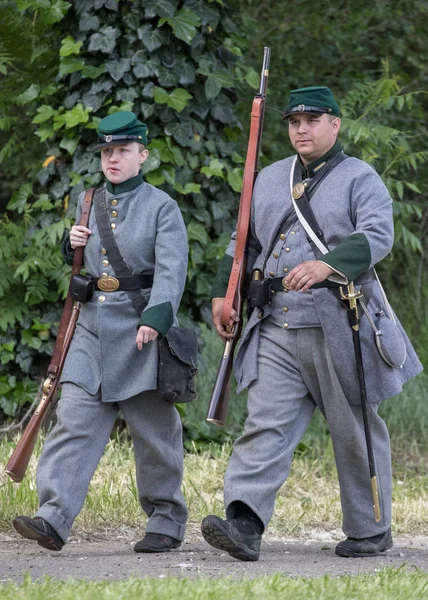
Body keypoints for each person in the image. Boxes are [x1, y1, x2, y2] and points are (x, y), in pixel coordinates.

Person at [201, 86, 423, 561]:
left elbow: (377, 236)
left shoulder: (360, 177)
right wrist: (225, 295)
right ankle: (244, 522)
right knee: (265, 425)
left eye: (312, 120)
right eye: (293, 122)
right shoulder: (269, 178)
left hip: (340, 322)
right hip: (275, 322)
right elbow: (243, 245)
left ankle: (370, 527)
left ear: (335, 124)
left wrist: (327, 266)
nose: (301, 130)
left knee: (353, 428)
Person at [13, 111, 189, 553]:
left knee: (154, 431)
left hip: (139, 328)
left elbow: (172, 270)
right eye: (107, 151)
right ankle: (53, 517)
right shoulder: (87, 200)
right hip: (90, 328)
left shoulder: (161, 206)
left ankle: (166, 518)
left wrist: (156, 317)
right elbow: (84, 268)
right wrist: (70, 244)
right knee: (74, 420)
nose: (113, 158)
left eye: (123, 151)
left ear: (142, 156)